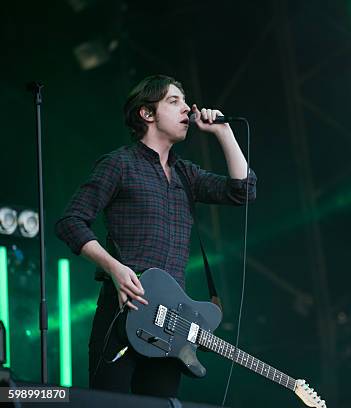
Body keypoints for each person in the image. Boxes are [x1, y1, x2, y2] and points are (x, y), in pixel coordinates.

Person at [55, 74, 256, 398]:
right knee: (110, 404)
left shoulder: (186, 174)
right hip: (123, 308)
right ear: (146, 114)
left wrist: (224, 131)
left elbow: (243, 190)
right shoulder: (119, 164)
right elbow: (70, 221)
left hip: (170, 324)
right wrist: (115, 268)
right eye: (173, 101)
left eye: (184, 101)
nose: (187, 109)